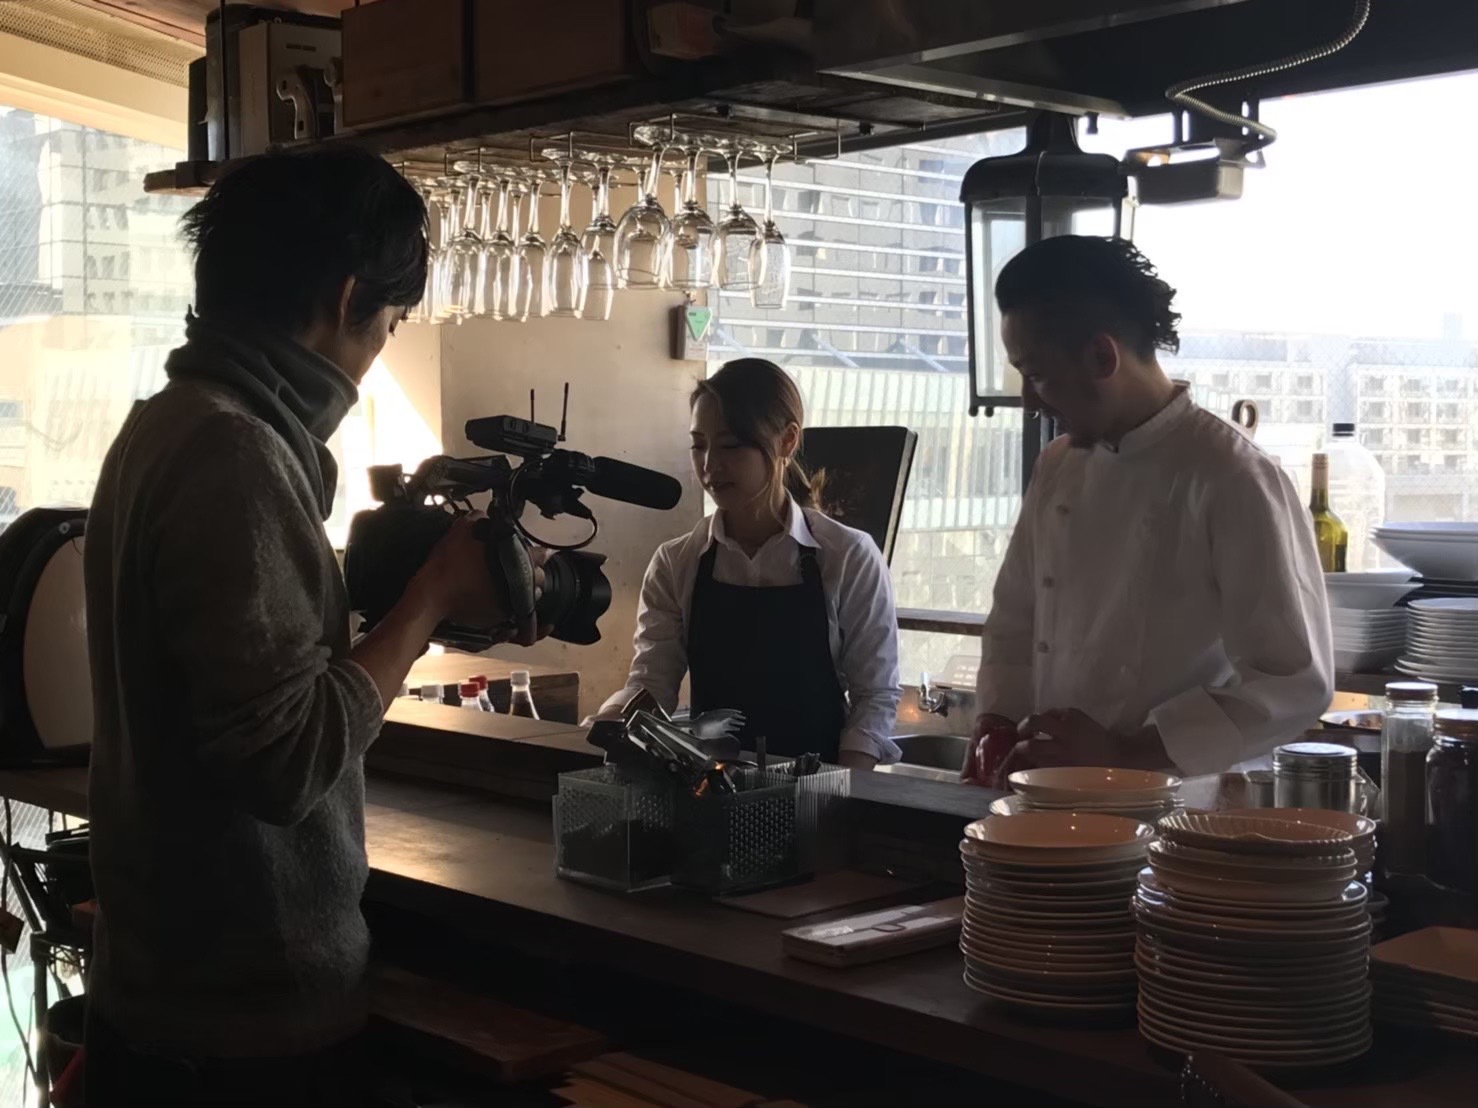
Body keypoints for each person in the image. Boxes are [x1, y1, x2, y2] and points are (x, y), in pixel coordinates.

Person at [83, 148, 541, 1105]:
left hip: (165, 1001)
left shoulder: (166, 423)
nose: (378, 355)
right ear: (344, 299)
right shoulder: (236, 451)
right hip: (242, 1039)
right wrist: (430, 601)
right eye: (389, 324)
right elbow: (283, 760)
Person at [962, 236, 1332, 785]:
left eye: (1037, 376)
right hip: (1045, 794)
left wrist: (1125, 751)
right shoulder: (1058, 466)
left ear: (1101, 356)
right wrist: (994, 722)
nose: (1032, 403)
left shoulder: (1232, 474)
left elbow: (1294, 682)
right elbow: (1016, 618)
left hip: (1169, 808)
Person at [598, 358, 901, 769]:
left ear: (787, 442)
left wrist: (839, 795)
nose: (709, 465)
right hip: (711, 791)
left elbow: (874, 696)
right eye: (699, 444)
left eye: (730, 445)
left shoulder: (848, 557)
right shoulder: (677, 562)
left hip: (817, 794)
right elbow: (652, 683)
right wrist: (612, 722)